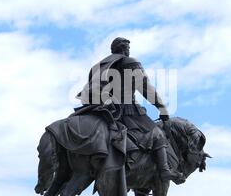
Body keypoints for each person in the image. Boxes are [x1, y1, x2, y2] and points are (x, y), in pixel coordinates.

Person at [76, 37, 183, 182]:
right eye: (127, 48)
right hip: (125, 109)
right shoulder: (129, 62)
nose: (128, 51)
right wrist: (162, 107)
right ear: (123, 49)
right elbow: (145, 87)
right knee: (157, 134)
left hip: (100, 109)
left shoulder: (99, 65)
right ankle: (164, 170)